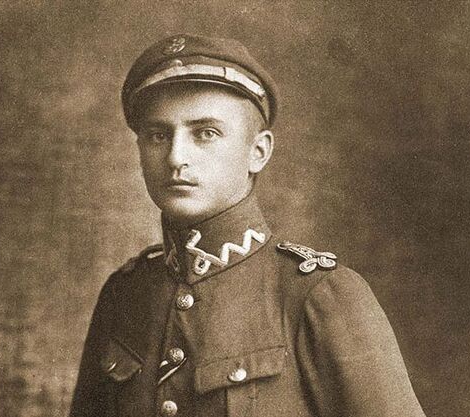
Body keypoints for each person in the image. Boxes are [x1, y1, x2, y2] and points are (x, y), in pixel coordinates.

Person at [69, 34, 426, 417]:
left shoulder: (318, 296)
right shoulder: (124, 295)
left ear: (258, 151)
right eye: (158, 136)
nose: (175, 157)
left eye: (205, 133)